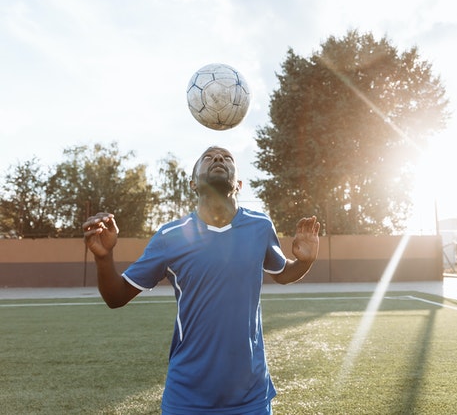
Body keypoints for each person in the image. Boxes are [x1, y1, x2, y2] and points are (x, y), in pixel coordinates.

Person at [83, 146, 320, 414]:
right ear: (193, 183)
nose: (218, 159)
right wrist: (104, 258)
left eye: (227, 158)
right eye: (208, 158)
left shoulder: (261, 226)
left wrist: (304, 262)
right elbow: (116, 297)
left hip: (251, 395)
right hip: (187, 397)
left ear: (239, 184)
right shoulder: (170, 236)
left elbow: (283, 274)